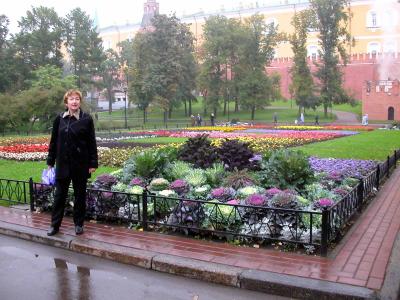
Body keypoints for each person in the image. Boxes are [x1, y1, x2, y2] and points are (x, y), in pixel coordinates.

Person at [46, 89, 98, 236]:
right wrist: (50, 161)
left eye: (77, 99)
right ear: (66, 102)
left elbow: (91, 142)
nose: (74, 101)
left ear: (80, 102)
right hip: (62, 164)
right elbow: (54, 141)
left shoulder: (86, 119)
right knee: (59, 196)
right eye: (71, 99)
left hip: (80, 165)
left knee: (80, 196)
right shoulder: (59, 119)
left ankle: (78, 224)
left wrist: (93, 163)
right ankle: (55, 225)